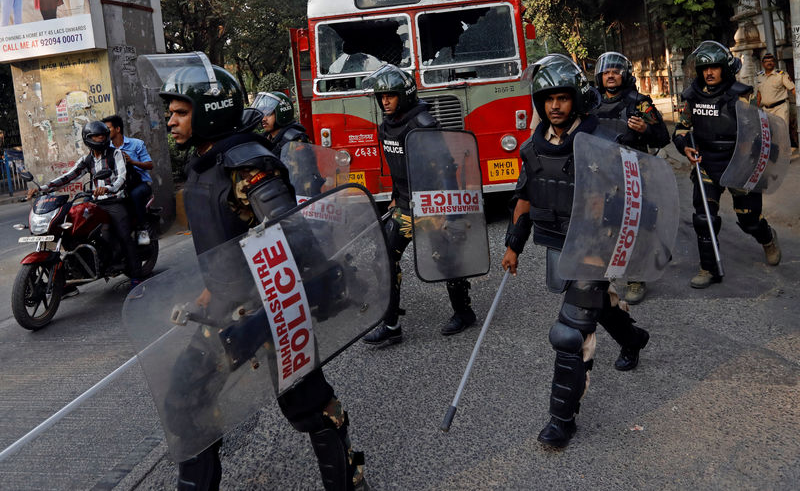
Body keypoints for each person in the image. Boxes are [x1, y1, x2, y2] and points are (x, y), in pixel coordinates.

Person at [158, 58, 366, 491]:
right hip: (224, 307)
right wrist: (211, 285)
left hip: (271, 304)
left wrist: (302, 295)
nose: (170, 120)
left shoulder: (247, 164)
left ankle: (349, 482)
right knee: (184, 402)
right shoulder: (205, 162)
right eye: (170, 111)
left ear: (208, 110)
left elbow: (293, 236)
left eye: (180, 111)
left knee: (306, 403)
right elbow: (227, 240)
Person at [502, 54, 650, 448]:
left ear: (576, 100)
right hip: (557, 244)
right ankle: (632, 339)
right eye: (548, 98)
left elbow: (633, 199)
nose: (555, 106)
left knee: (569, 332)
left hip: (594, 249)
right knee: (596, 307)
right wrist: (513, 245)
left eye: (563, 98)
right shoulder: (533, 148)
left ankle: (561, 419)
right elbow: (525, 197)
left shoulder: (603, 142)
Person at [359, 64, 477, 346]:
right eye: (381, 96)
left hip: (431, 206)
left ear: (404, 95)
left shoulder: (423, 125)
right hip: (404, 205)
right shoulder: (386, 125)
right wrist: (394, 194)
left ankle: (464, 312)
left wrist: (453, 214)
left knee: (445, 260)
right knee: (386, 257)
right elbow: (397, 167)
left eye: (390, 95)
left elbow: (447, 170)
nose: (384, 101)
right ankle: (391, 325)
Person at [673, 40, 781, 289]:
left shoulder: (742, 95)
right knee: (704, 218)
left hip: (740, 164)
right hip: (706, 164)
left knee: (749, 220)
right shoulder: (692, 97)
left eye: (714, 68)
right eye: (704, 69)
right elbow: (681, 130)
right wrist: (684, 147)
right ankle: (709, 268)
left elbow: (760, 131)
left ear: (725, 68)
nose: (709, 73)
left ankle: (766, 238)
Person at [593, 51, 670, 305]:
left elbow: (662, 137)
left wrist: (645, 129)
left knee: (634, 226)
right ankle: (610, 272)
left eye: (615, 71)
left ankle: (637, 277)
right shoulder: (592, 104)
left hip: (634, 174)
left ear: (624, 75)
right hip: (604, 174)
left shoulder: (639, 103)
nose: (611, 75)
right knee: (608, 225)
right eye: (606, 72)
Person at [26, 121, 141, 287]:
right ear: (88, 138)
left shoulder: (116, 154)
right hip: (95, 201)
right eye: (96, 136)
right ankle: (69, 278)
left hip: (115, 200)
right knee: (71, 228)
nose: (100, 138)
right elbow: (68, 177)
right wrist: (42, 189)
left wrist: (108, 188)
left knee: (124, 235)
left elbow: (121, 177)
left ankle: (136, 274)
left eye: (103, 135)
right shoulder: (87, 160)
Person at [103, 114, 154, 246]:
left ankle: (143, 230)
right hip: (119, 185)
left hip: (140, 183)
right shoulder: (106, 149)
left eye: (108, 128)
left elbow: (149, 164)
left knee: (134, 195)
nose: (105, 132)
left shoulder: (136, 144)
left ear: (118, 129)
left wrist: (132, 161)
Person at [756, 52, 797, 158]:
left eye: (771, 61)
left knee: (782, 133)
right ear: (763, 63)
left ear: (774, 63)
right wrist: (756, 108)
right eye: (766, 61)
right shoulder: (759, 76)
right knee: (769, 133)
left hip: (780, 108)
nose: (769, 63)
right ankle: (774, 157)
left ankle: (785, 157)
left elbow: (793, 90)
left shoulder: (781, 75)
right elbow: (759, 94)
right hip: (766, 110)